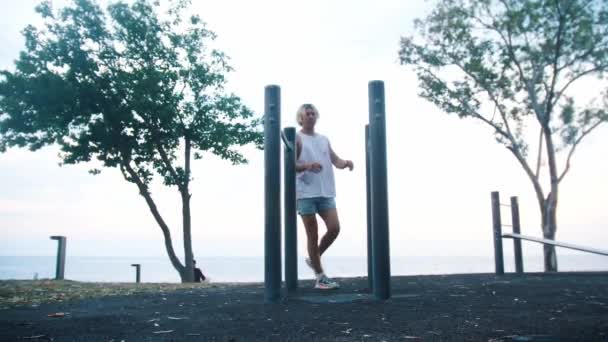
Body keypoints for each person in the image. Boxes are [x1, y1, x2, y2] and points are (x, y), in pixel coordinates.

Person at [295, 103, 353, 290]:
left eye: (313, 113)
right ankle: (320, 278)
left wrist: (346, 163)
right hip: (305, 193)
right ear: (301, 118)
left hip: (325, 192)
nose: (311, 116)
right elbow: (290, 166)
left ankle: (314, 258)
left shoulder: (323, 139)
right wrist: (307, 166)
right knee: (312, 235)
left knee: (334, 228)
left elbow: (334, 160)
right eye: (307, 113)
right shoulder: (296, 138)